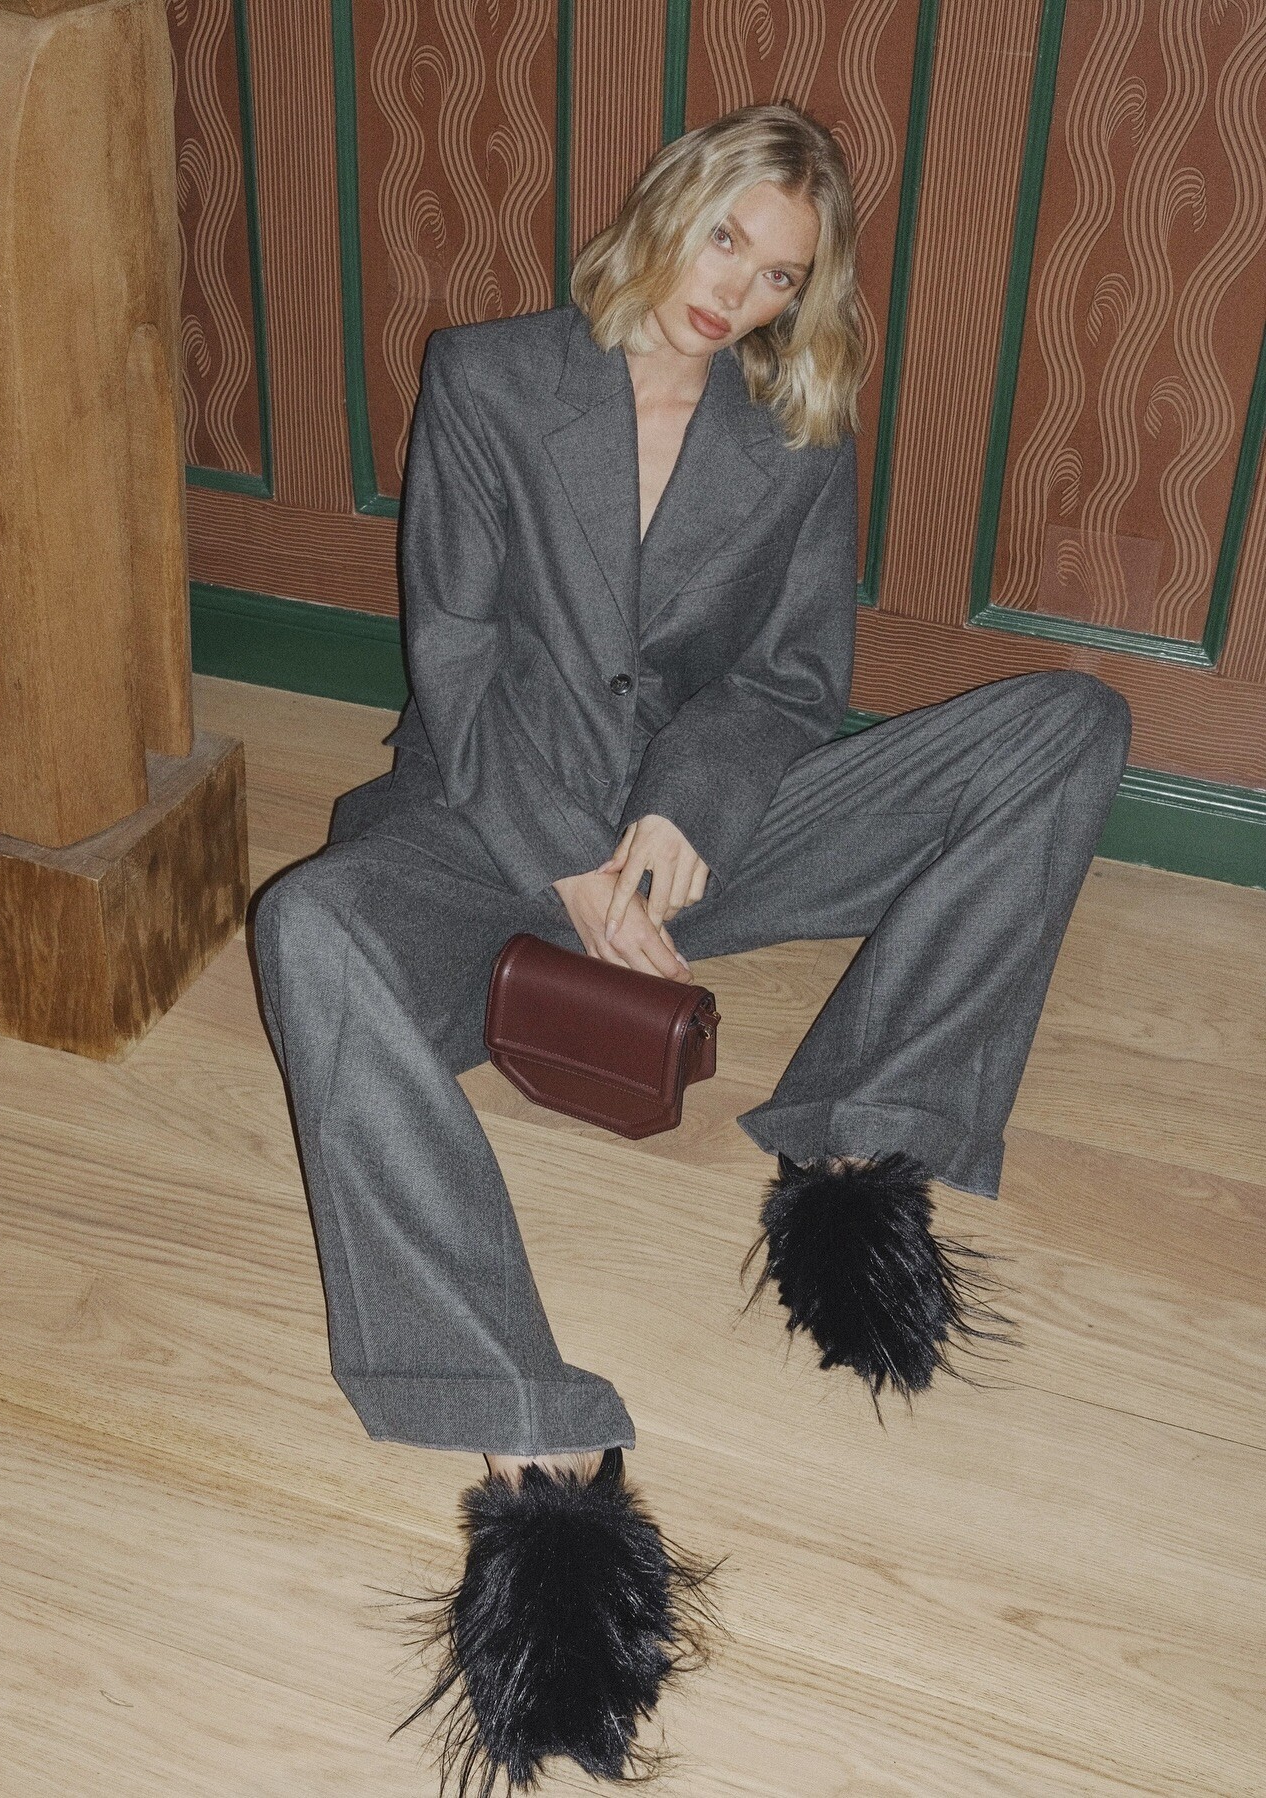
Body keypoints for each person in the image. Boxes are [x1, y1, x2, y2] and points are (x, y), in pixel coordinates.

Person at [253, 99, 1132, 1795]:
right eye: (727, 237)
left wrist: (682, 816)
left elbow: (792, 681)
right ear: (672, 204)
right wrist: (572, 864)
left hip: (689, 850)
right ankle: (524, 1427)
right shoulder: (490, 376)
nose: (738, 291)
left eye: (781, 273)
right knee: (304, 926)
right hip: (490, 838)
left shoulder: (793, 435)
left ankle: (861, 1133)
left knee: (1068, 724)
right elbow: (457, 656)